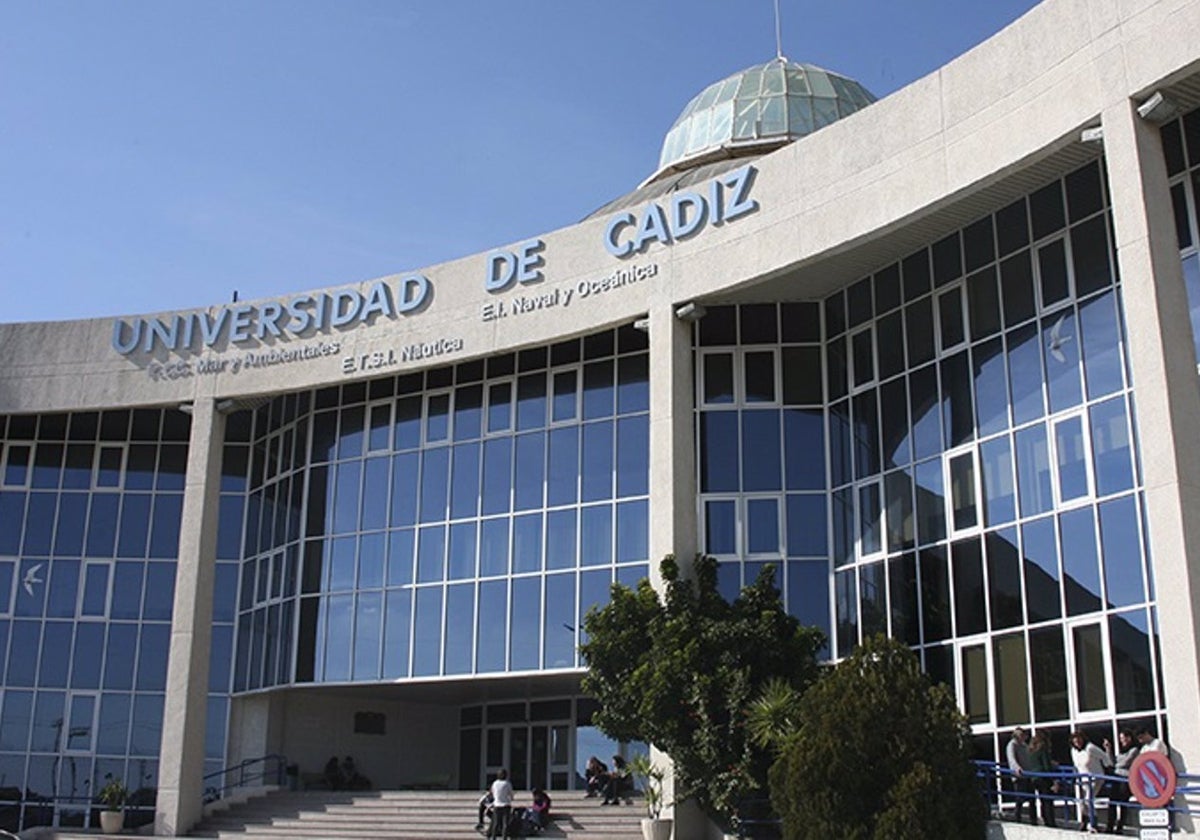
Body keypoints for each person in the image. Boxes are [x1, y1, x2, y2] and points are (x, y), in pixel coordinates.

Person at [1070, 730, 1113, 833]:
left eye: (1079, 741)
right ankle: (1085, 822)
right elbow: (1076, 765)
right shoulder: (1074, 751)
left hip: (1096, 778)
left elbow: (1104, 756)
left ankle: (1094, 823)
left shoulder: (1090, 748)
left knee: (1088, 800)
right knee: (1082, 802)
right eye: (1075, 742)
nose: (1078, 743)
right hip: (1084, 779)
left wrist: (1108, 765)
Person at [1106, 729, 1140, 834]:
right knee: (1112, 802)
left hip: (1125, 779)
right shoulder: (1122, 751)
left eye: (1123, 738)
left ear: (1129, 738)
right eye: (1120, 738)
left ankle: (1120, 826)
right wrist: (1108, 750)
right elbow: (1112, 762)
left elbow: (1126, 762)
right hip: (1116, 778)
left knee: (1123, 803)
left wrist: (1116, 764)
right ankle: (1110, 826)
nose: (1122, 741)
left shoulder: (1134, 750)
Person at [1028, 731, 1059, 828]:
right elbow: (1046, 766)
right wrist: (1054, 778)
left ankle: (1040, 819)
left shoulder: (1031, 749)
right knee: (1047, 801)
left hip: (1033, 778)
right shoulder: (1043, 748)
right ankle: (1050, 822)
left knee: (1041, 800)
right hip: (1043, 777)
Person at [1005, 727, 1036, 823]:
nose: (1023, 737)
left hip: (1028, 775)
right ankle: (1017, 818)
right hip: (1019, 776)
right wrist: (1016, 768)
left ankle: (1033, 820)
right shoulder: (1012, 745)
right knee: (1020, 799)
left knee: (1032, 799)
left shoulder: (1023, 745)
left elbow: (1030, 757)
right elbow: (1012, 758)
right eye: (1021, 735)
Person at [488, 768, 514, 839]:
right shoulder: (507, 783)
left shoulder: (495, 783)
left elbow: (492, 793)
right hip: (505, 805)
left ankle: (493, 837)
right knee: (505, 824)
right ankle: (504, 837)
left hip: (497, 805)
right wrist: (511, 799)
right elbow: (511, 795)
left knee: (495, 823)